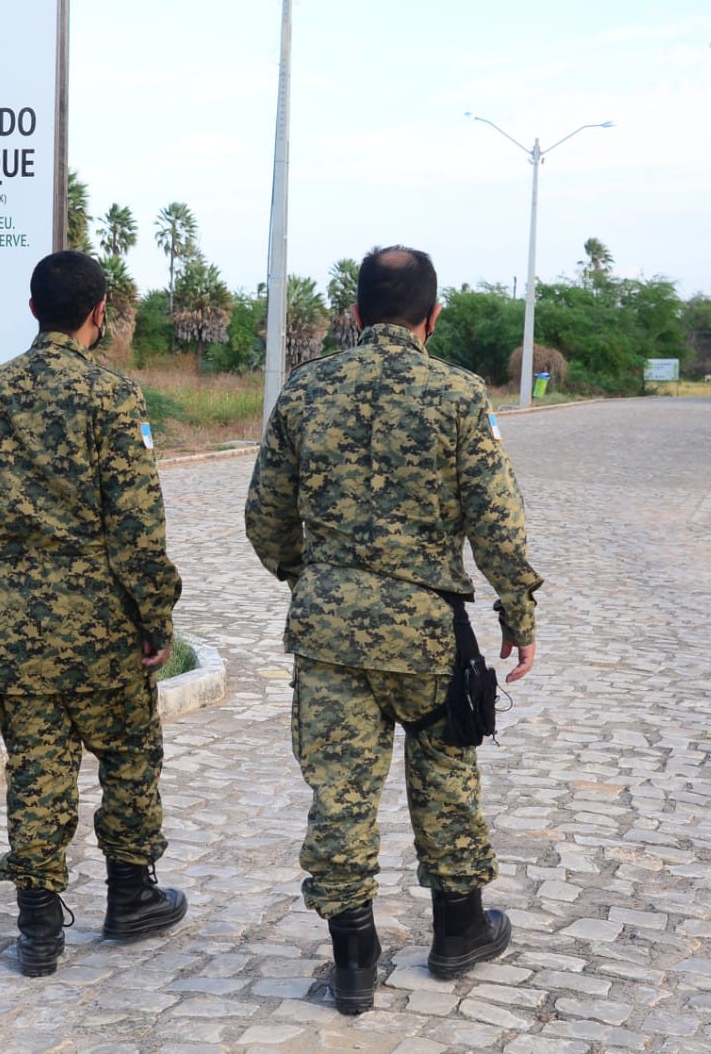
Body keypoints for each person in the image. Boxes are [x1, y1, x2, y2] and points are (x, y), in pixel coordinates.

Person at [244, 244, 543, 1014]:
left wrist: (310, 580)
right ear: (431, 317)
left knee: (339, 791)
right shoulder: (458, 394)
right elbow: (497, 517)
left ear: (354, 314)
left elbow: (266, 517)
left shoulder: (307, 391)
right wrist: (517, 611)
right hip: (426, 632)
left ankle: (352, 960)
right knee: (445, 773)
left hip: (330, 630)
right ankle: (458, 930)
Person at [0, 249, 187, 978]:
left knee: (37, 770)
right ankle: (130, 896)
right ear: (99, 313)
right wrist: (155, 615)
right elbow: (138, 523)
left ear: (32, 309)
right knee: (129, 761)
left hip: (16, 623)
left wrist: (0, 583)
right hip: (102, 625)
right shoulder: (113, 396)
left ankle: (39, 930)